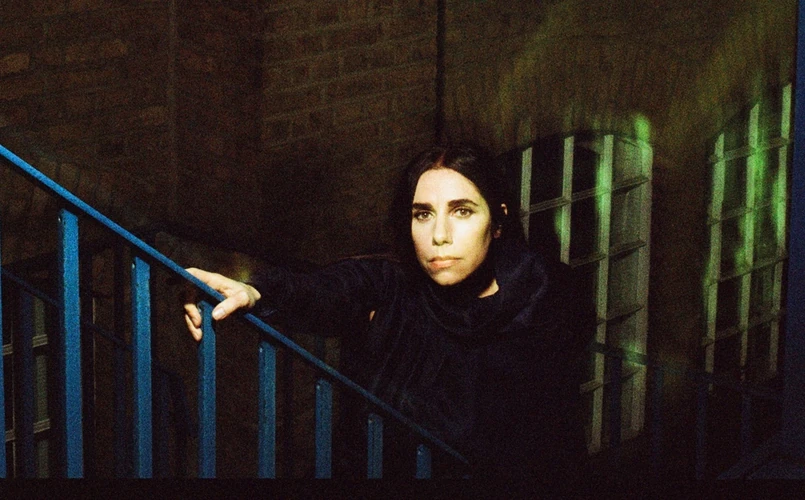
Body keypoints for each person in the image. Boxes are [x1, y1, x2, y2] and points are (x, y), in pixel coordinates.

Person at [184, 144, 592, 480]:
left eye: (462, 211)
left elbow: (537, 439)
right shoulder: (392, 284)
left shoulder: (545, 298)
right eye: (423, 214)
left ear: (497, 222)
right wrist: (254, 290)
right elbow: (325, 290)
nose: (439, 235)